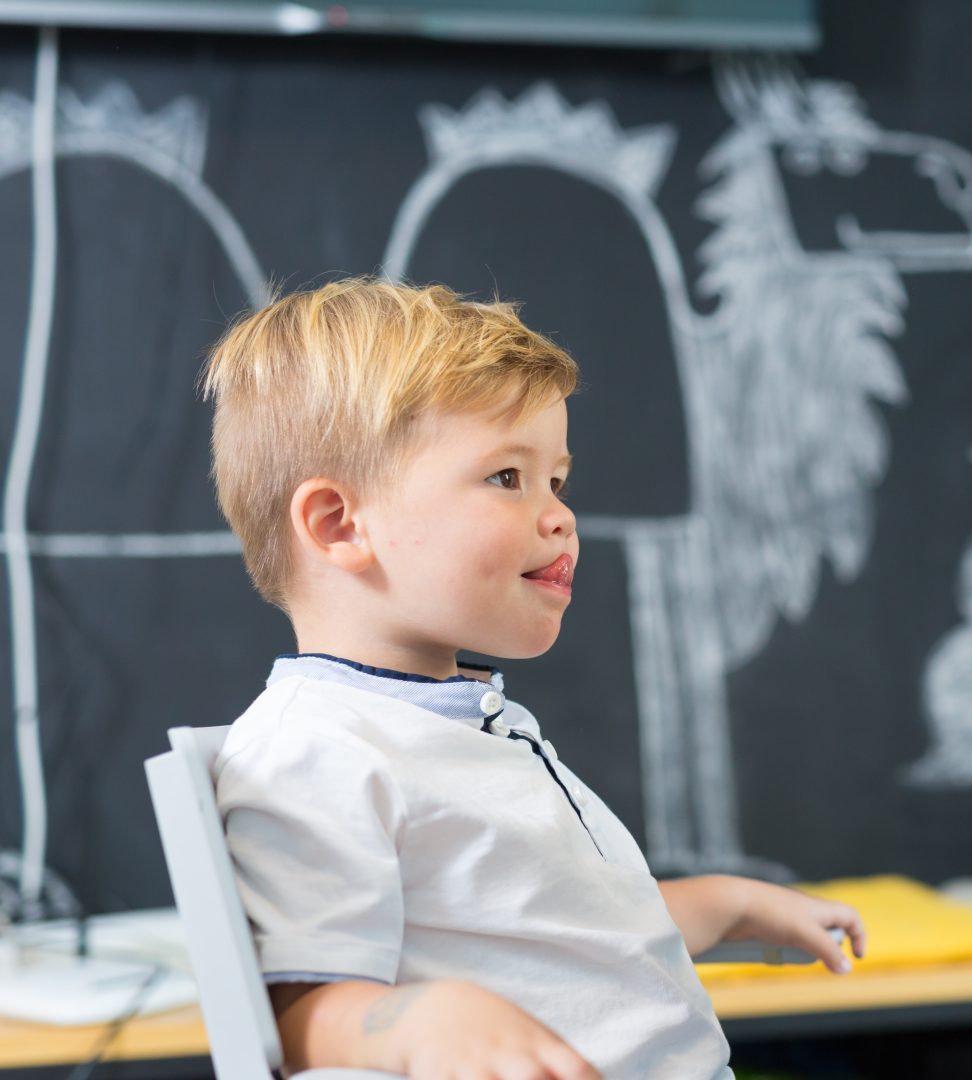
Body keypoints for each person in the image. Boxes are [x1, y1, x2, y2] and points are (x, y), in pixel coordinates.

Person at [199, 278, 866, 1080]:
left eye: (558, 480)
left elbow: (559, 937)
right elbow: (298, 1018)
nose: (560, 515)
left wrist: (725, 903)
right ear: (341, 524)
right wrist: (422, 1021)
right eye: (507, 478)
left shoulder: (463, 725)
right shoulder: (313, 751)